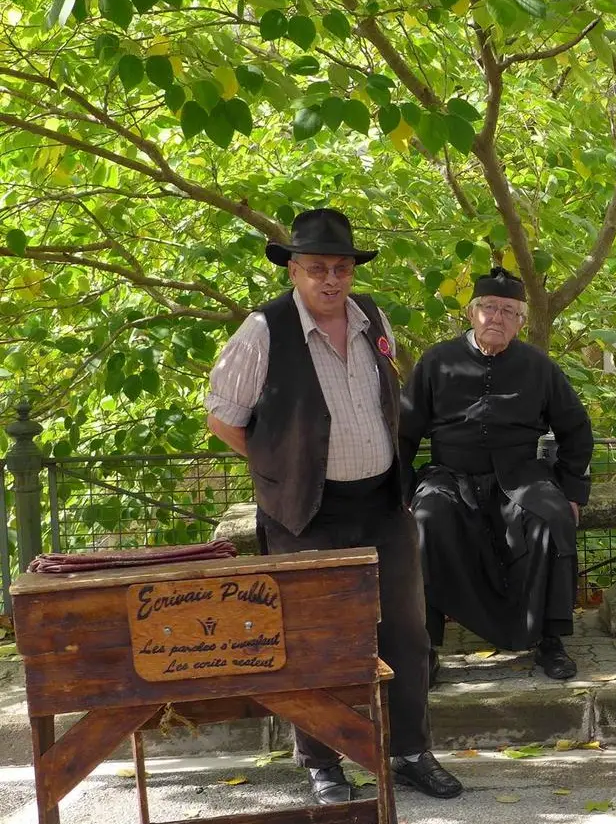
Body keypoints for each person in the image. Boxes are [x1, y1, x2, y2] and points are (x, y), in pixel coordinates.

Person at [205, 208, 462, 804]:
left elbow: (385, 395)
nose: (330, 279)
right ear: (293, 271)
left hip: (380, 502)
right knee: (317, 641)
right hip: (306, 512)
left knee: (405, 633)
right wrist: (282, 468)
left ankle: (409, 752)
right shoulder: (263, 330)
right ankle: (324, 764)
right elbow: (223, 418)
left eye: (340, 267)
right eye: (316, 267)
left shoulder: (372, 315)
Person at [398, 266, 593, 681]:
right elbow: (404, 430)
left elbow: (576, 427)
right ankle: (425, 647)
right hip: (449, 474)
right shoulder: (437, 361)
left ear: (521, 321)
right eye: (489, 308)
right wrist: (401, 491)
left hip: (520, 474)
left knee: (553, 518)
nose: (497, 318)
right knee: (425, 521)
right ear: (471, 314)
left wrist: (572, 490)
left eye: (509, 311)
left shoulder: (539, 367)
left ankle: (549, 640)